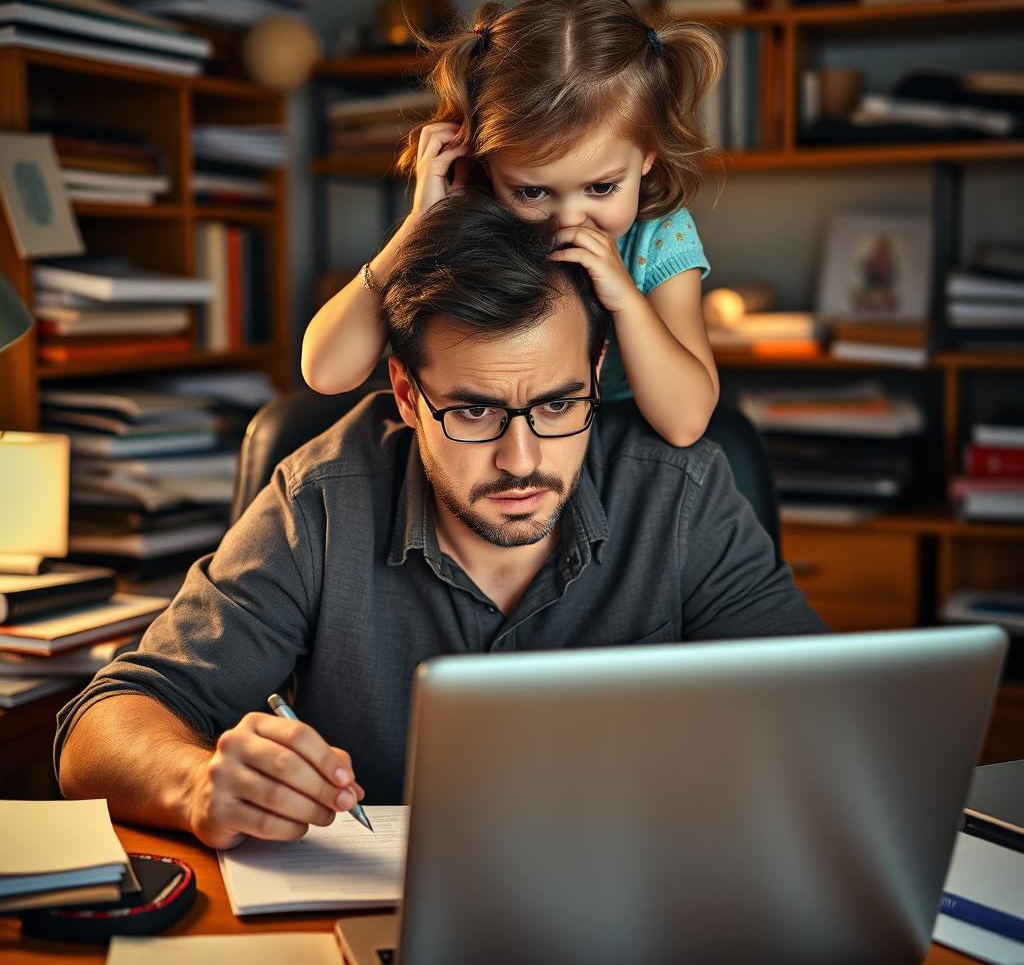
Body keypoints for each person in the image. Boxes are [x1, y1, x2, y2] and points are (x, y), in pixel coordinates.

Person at [57, 191, 823, 851]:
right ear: (404, 393)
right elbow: (102, 726)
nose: (522, 459)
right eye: (475, 410)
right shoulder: (324, 497)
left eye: (558, 404)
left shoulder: (679, 493)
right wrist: (196, 784)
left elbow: (827, 719)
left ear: (596, 376)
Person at [302, 0, 724, 448]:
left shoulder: (657, 238)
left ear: (647, 156)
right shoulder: (469, 227)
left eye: (601, 187)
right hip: (484, 447)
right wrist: (418, 229)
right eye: (531, 191)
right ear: (483, 164)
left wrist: (625, 298)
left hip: (605, 446)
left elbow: (685, 422)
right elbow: (326, 373)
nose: (568, 218)